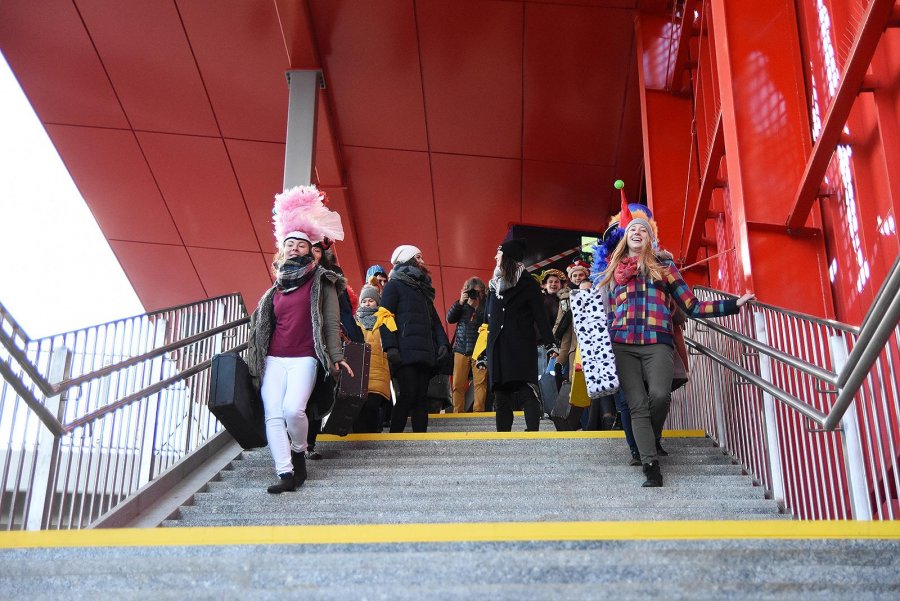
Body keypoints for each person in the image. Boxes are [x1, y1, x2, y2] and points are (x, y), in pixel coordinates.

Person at [597, 204, 754, 487]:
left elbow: (692, 306)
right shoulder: (613, 272)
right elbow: (601, 313)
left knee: (659, 396)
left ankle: (651, 439)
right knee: (636, 406)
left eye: (642, 230)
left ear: (649, 239)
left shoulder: (664, 268)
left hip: (658, 342)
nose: (637, 232)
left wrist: (733, 304)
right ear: (624, 238)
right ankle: (650, 466)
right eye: (632, 229)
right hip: (622, 345)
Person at [247, 185, 354, 494]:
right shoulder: (274, 290)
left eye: (301, 245)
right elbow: (260, 327)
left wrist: (335, 356)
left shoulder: (323, 281)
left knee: (294, 410)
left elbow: (331, 322)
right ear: (283, 249)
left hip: (305, 356)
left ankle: (299, 450)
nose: (294, 248)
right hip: (274, 359)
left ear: (311, 251)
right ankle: (285, 473)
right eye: (289, 244)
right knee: (273, 413)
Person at [484, 239, 558, 432]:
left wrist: (550, 344)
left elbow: (540, 317)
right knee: (500, 394)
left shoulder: (528, 284)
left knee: (526, 389)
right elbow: (487, 323)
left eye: (498, 254)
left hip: (520, 345)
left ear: (507, 257)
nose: (495, 257)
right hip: (497, 347)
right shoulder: (493, 286)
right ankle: (503, 439)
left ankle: (532, 433)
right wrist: (484, 352)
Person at [379, 245, 450, 432]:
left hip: (424, 353)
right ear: (407, 260)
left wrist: (442, 344)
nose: (422, 261)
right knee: (408, 394)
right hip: (404, 353)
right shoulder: (393, 285)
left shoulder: (422, 290)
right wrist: (391, 347)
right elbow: (385, 317)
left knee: (421, 397)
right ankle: (395, 436)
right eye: (418, 257)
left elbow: (435, 322)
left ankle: (421, 438)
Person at [352, 285, 395, 433]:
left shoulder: (385, 319)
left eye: (371, 300)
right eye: (364, 301)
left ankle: (374, 434)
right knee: (358, 408)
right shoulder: (353, 320)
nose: (367, 303)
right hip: (358, 371)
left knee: (372, 405)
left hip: (379, 371)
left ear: (377, 302)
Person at [446, 277, 488, 413]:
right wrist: (461, 302)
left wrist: (478, 306)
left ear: (482, 291)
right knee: (457, 384)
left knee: (480, 383)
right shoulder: (461, 305)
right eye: (471, 292)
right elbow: (450, 318)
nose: (474, 295)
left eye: (477, 292)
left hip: (479, 350)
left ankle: (479, 412)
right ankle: (457, 413)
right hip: (461, 349)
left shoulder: (486, 305)